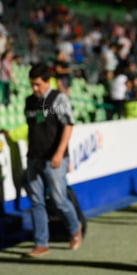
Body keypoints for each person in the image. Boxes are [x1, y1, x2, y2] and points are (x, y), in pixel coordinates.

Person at [23, 63, 82, 257]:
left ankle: (75, 228)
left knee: (58, 200)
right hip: (34, 159)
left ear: (47, 82)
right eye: (32, 84)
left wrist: (59, 154)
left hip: (54, 159)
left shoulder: (58, 99)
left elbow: (67, 126)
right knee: (36, 202)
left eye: (38, 84)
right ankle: (41, 243)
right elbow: (33, 129)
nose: (34, 88)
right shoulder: (29, 101)